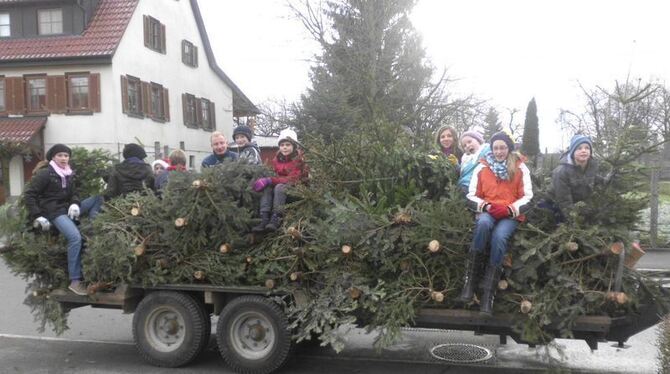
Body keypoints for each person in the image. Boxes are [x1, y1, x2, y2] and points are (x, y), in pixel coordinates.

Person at [458, 131, 533, 315]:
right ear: (491, 149)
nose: (499, 151)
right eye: (496, 148)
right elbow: (471, 195)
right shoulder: (482, 167)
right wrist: (487, 206)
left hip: (509, 214)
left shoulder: (520, 167)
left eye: (503, 148)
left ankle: (487, 295)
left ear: (509, 149)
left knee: (499, 237)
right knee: (483, 225)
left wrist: (509, 209)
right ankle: (470, 281)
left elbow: (528, 197)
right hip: (488, 210)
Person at [23, 144, 88, 295]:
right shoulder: (46, 174)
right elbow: (30, 195)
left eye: (66, 155)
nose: (64, 158)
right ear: (53, 157)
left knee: (97, 199)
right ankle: (75, 280)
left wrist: (75, 203)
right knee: (75, 238)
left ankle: (91, 227)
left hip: (67, 209)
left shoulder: (69, 174)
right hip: (54, 212)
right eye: (60, 155)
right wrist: (37, 215)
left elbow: (74, 193)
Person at [252, 129, 307, 232]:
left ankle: (277, 217)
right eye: (282, 145)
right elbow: (276, 176)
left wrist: (270, 180)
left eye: (288, 144)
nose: (284, 147)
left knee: (279, 186)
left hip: (298, 191)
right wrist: (265, 181)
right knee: (268, 187)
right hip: (282, 191)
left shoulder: (299, 159)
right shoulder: (278, 159)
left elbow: (293, 179)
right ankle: (264, 217)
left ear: (294, 146)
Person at [545, 134, 604, 223]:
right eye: (579, 148)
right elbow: (564, 200)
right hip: (555, 205)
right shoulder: (562, 171)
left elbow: (594, 179)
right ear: (572, 152)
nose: (584, 150)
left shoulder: (592, 166)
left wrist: (610, 179)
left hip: (577, 204)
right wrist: (574, 221)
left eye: (587, 148)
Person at [457, 129, 490, 194]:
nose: (468, 145)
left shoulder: (486, 150)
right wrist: (456, 165)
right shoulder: (466, 159)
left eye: (469, 142)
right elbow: (463, 172)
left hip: (474, 187)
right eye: (464, 146)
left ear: (478, 140)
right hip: (463, 186)